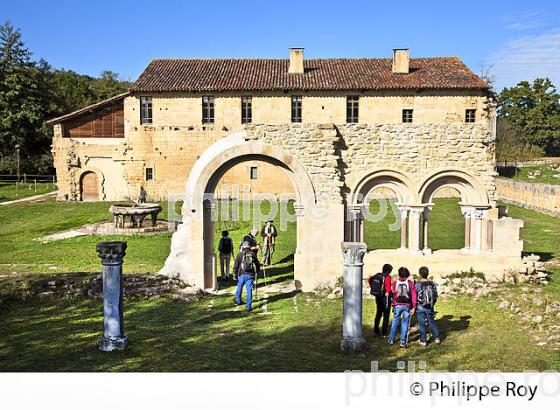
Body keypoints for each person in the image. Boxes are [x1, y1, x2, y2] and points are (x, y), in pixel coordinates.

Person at [388, 267, 417, 348]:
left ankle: (391, 339)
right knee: (405, 323)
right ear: (407, 275)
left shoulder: (395, 282)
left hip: (397, 305)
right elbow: (414, 295)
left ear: (399, 274)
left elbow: (393, 293)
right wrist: (414, 306)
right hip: (407, 305)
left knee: (395, 321)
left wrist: (393, 304)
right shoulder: (410, 283)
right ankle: (402, 341)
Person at [415, 266, 441, 346]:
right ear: (428, 274)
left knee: (421, 323)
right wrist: (433, 303)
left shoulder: (418, 284)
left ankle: (423, 340)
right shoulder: (432, 283)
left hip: (420, 306)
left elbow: (415, 295)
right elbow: (435, 295)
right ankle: (437, 338)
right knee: (432, 322)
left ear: (420, 274)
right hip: (430, 306)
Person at [233, 241, 261, 312]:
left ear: (243, 246)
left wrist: (234, 274)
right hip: (250, 275)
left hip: (241, 274)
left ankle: (238, 301)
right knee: (249, 290)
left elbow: (236, 265)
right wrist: (257, 271)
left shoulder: (240, 254)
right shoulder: (252, 254)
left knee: (239, 288)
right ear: (249, 246)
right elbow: (257, 264)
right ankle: (248, 307)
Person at [368, 264, 393, 337]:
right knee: (386, 315)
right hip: (385, 297)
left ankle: (376, 330)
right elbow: (388, 289)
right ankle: (384, 333)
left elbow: (370, 280)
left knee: (378, 313)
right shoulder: (387, 277)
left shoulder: (378, 275)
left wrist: (376, 288)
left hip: (378, 296)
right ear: (388, 271)